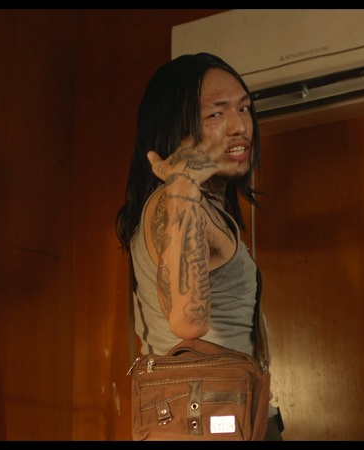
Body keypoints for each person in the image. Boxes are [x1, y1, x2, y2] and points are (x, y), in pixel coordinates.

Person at [115, 52, 283, 441]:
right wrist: (183, 184)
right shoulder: (174, 201)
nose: (240, 126)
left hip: (233, 410)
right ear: (178, 128)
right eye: (216, 114)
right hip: (208, 416)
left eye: (244, 108)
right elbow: (188, 323)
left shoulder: (199, 207)